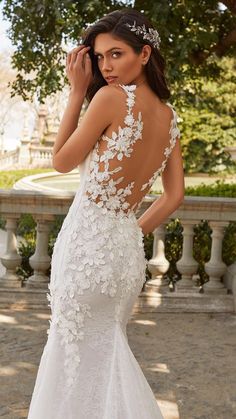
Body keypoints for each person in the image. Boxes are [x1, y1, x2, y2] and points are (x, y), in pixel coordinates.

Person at [27, 8, 184, 419]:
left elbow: (61, 161)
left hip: (86, 251)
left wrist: (77, 92)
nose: (105, 66)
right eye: (98, 58)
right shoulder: (170, 119)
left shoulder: (110, 98)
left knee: (73, 352)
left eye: (116, 54)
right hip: (123, 256)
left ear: (145, 53)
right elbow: (174, 196)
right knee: (107, 349)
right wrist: (131, 231)